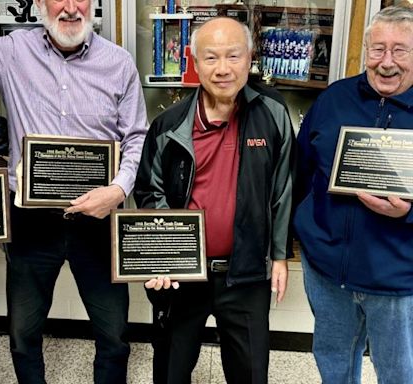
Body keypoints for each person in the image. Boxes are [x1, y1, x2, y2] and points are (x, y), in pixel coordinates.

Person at [0, 0, 148, 383]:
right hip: (31, 222)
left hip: (99, 219)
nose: (69, 7)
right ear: (38, 5)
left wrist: (119, 189)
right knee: (22, 335)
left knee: (114, 335)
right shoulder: (11, 51)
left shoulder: (119, 62)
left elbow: (135, 137)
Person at [134, 17, 295, 384]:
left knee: (251, 373)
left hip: (247, 272)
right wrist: (165, 255)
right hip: (184, 275)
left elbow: (283, 188)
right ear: (193, 61)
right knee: (171, 370)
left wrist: (281, 255)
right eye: (211, 58)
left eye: (233, 56)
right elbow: (149, 191)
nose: (223, 69)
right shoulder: (169, 125)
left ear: (249, 58)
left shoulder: (272, 113)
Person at [294, 6, 413, 384]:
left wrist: (407, 215)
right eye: (377, 49)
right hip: (327, 273)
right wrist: (302, 234)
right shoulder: (334, 99)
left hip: (396, 281)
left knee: (399, 373)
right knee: (333, 364)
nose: (387, 62)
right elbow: (301, 171)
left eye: (401, 50)